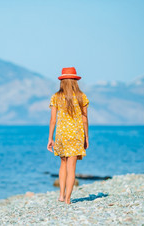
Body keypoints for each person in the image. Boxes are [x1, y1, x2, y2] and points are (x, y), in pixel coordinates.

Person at [47, 67, 89, 204]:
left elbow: (53, 120)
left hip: (61, 135)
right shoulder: (81, 97)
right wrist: (86, 137)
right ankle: (68, 199)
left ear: (62, 81)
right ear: (75, 81)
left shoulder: (56, 97)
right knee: (72, 167)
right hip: (76, 135)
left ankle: (60, 194)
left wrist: (50, 138)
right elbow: (84, 118)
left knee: (63, 164)